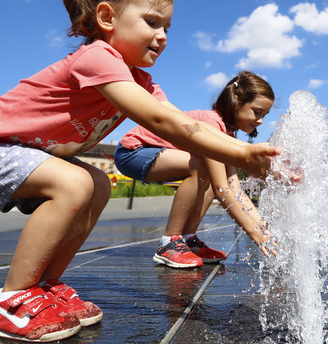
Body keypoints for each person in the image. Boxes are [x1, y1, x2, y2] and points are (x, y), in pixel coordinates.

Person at [0, 0, 280, 343]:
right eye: (152, 22)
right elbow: (158, 120)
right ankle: (12, 301)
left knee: (97, 183)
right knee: (74, 182)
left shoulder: (142, 82)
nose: (162, 36)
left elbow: (177, 120)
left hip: (22, 152)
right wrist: (244, 155)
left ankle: (46, 285)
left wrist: (250, 154)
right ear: (107, 17)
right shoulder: (97, 57)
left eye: (167, 27)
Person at [115, 71, 274, 268]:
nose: (260, 121)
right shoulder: (212, 123)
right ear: (236, 102)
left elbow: (235, 188)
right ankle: (169, 242)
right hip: (134, 151)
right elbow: (221, 189)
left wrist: (263, 227)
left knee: (208, 169)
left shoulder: (229, 135)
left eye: (264, 116)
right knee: (203, 166)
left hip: (156, 154)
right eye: (257, 112)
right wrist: (253, 231)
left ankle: (188, 239)